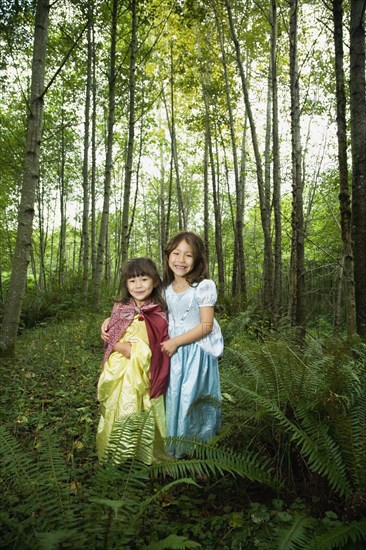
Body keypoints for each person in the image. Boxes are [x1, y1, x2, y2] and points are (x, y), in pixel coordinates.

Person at [97, 257, 170, 464]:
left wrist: (128, 348)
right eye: (132, 281)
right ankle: (117, 454)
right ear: (126, 284)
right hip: (120, 373)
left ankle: (142, 455)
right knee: (119, 411)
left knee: (143, 412)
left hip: (146, 374)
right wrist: (110, 330)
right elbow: (112, 333)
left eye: (144, 279)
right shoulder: (120, 308)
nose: (138, 286)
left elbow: (161, 346)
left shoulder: (160, 311)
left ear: (155, 281)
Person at [160, 231, 223, 458]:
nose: (181, 260)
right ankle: (173, 450)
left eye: (188, 255)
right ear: (168, 255)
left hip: (195, 352)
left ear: (197, 259)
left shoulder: (203, 287)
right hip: (172, 354)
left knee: (193, 399)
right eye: (176, 253)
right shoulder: (163, 289)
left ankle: (198, 454)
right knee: (173, 396)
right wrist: (110, 320)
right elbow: (135, 306)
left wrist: (176, 341)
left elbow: (205, 326)